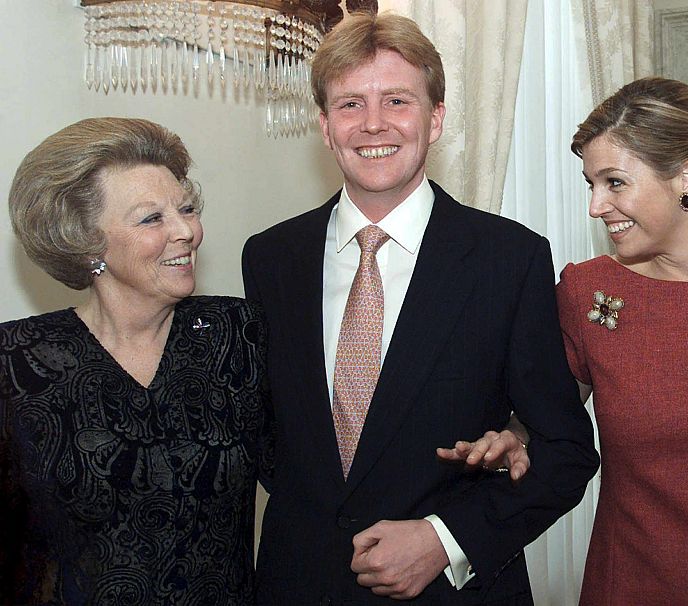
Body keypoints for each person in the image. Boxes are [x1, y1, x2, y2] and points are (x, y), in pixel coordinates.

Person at [241, 12, 599, 606]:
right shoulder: (271, 258)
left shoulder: (509, 259)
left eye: (397, 101)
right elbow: (268, 440)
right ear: (325, 126)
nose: (373, 123)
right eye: (350, 104)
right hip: (299, 586)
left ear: (435, 119)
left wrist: (445, 539)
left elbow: (565, 451)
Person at [441, 77, 688, 605]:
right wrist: (516, 436)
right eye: (591, 184)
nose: (595, 205)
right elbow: (548, 417)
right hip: (628, 586)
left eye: (614, 182)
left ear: (686, 179)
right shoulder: (587, 292)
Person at [0, 118, 269, 605]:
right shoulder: (16, 360)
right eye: (151, 219)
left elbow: (317, 469)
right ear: (85, 240)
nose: (186, 231)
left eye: (186, 209)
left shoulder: (237, 333)